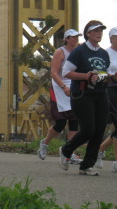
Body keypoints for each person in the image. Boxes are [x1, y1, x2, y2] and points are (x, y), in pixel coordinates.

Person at [60, 20, 117, 176]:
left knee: (99, 130)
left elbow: (102, 76)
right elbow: (65, 72)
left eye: (101, 31)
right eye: (96, 30)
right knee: (88, 129)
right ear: (88, 33)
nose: (99, 33)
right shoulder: (80, 51)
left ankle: (86, 165)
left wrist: (112, 78)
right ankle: (66, 150)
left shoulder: (103, 53)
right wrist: (85, 76)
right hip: (82, 94)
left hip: (100, 94)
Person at [37, 29, 82, 164]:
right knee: (61, 122)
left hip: (73, 86)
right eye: (73, 37)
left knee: (74, 120)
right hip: (59, 87)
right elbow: (54, 73)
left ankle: (70, 152)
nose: (75, 39)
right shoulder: (60, 52)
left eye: (77, 37)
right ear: (66, 39)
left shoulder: (78, 51)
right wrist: (63, 86)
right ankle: (45, 143)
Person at [94, 26, 117, 173]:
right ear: (111, 38)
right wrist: (112, 77)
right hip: (111, 89)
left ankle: (99, 150)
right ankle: (116, 162)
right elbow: (100, 75)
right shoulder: (105, 53)